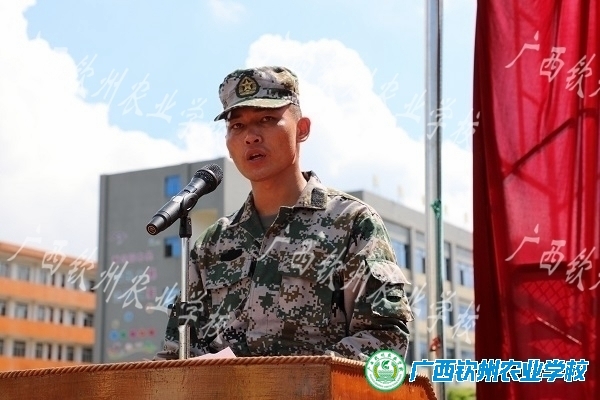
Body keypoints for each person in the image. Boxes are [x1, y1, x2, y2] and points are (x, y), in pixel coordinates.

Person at [155, 66, 413, 362]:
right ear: (227, 143)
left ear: (302, 129)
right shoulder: (211, 245)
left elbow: (384, 339)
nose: (250, 136)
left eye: (266, 120)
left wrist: (292, 377)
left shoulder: (352, 223)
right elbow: (177, 353)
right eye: (237, 126)